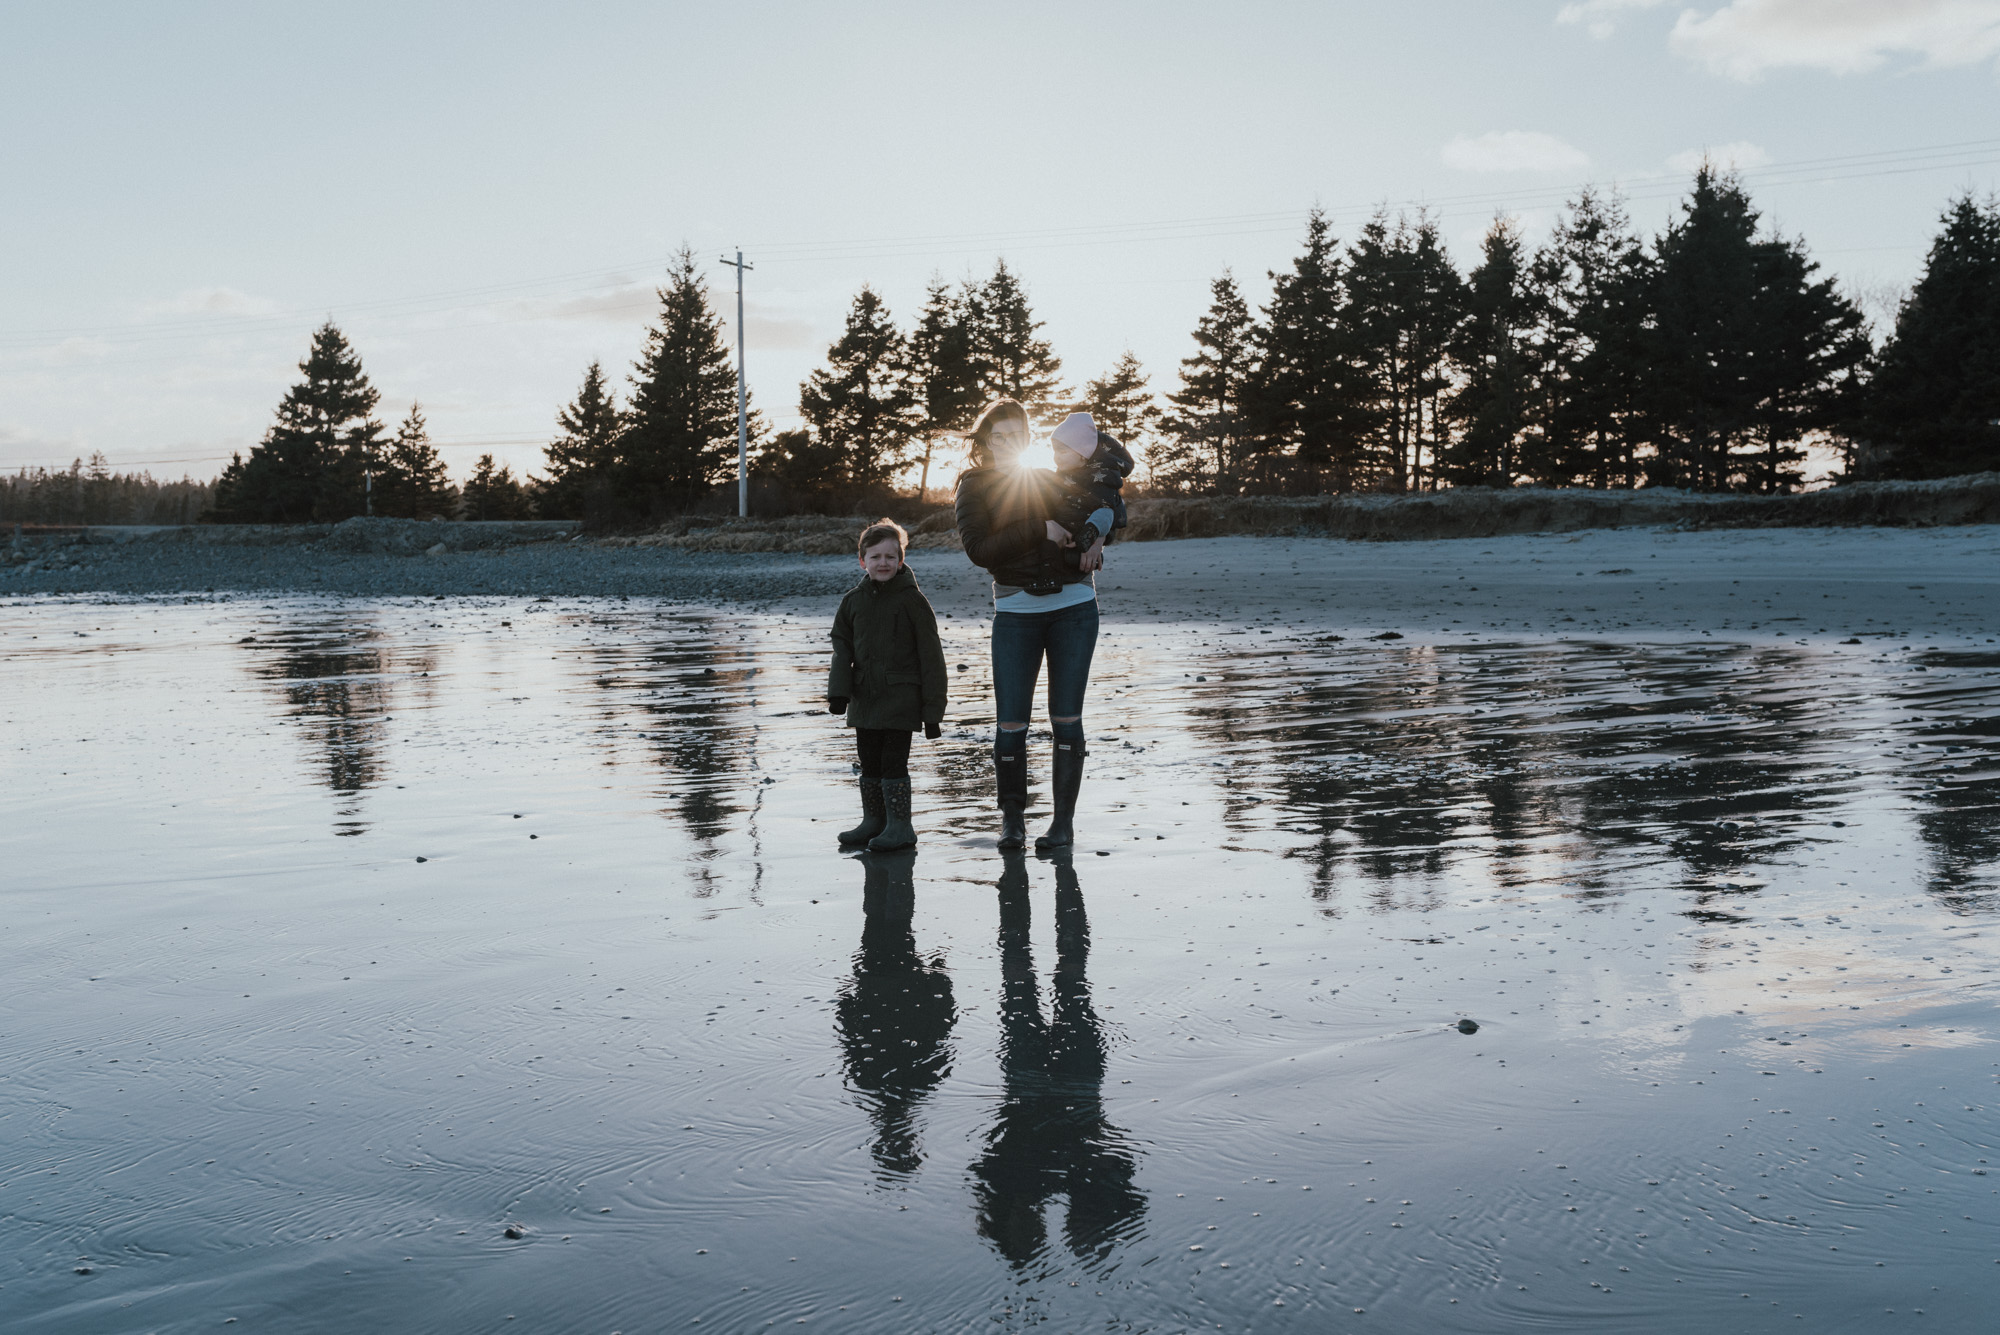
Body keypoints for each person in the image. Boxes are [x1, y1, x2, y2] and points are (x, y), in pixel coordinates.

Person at [953, 399, 1107, 852]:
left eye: (1015, 436)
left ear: (1027, 441)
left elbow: (1102, 505)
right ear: (986, 441)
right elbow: (980, 550)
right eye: (998, 437)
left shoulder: (1048, 478)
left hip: (1075, 606)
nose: (1007, 444)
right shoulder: (973, 486)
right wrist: (1039, 529)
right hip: (1016, 613)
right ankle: (1013, 823)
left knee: (1067, 719)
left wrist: (1097, 536)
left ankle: (1062, 826)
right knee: (1011, 723)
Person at [827, 519, 948, 852]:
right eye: (876, 556)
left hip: (901, 701)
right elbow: (842, 647)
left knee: (893, 764)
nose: (883, 563)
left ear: (901, 560)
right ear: (862, 560)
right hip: (864, 700)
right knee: (869, 763)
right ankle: (874, 822)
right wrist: (838, 693)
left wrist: (933, 711)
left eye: (890, 557)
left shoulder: (912, 601)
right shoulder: (853, 601)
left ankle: (901, 828)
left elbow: (931, 657)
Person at [1047, 411, 1135, 575]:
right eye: (1055, 451)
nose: (1056, 457)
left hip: (1091, 520)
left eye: (1063, 451)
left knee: (1104, 512)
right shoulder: (1064, 475)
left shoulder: (1101, 475)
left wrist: (1096, 535)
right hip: (1066, 526)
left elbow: (1110, 507)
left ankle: (1090, 533)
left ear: (1082, 454)